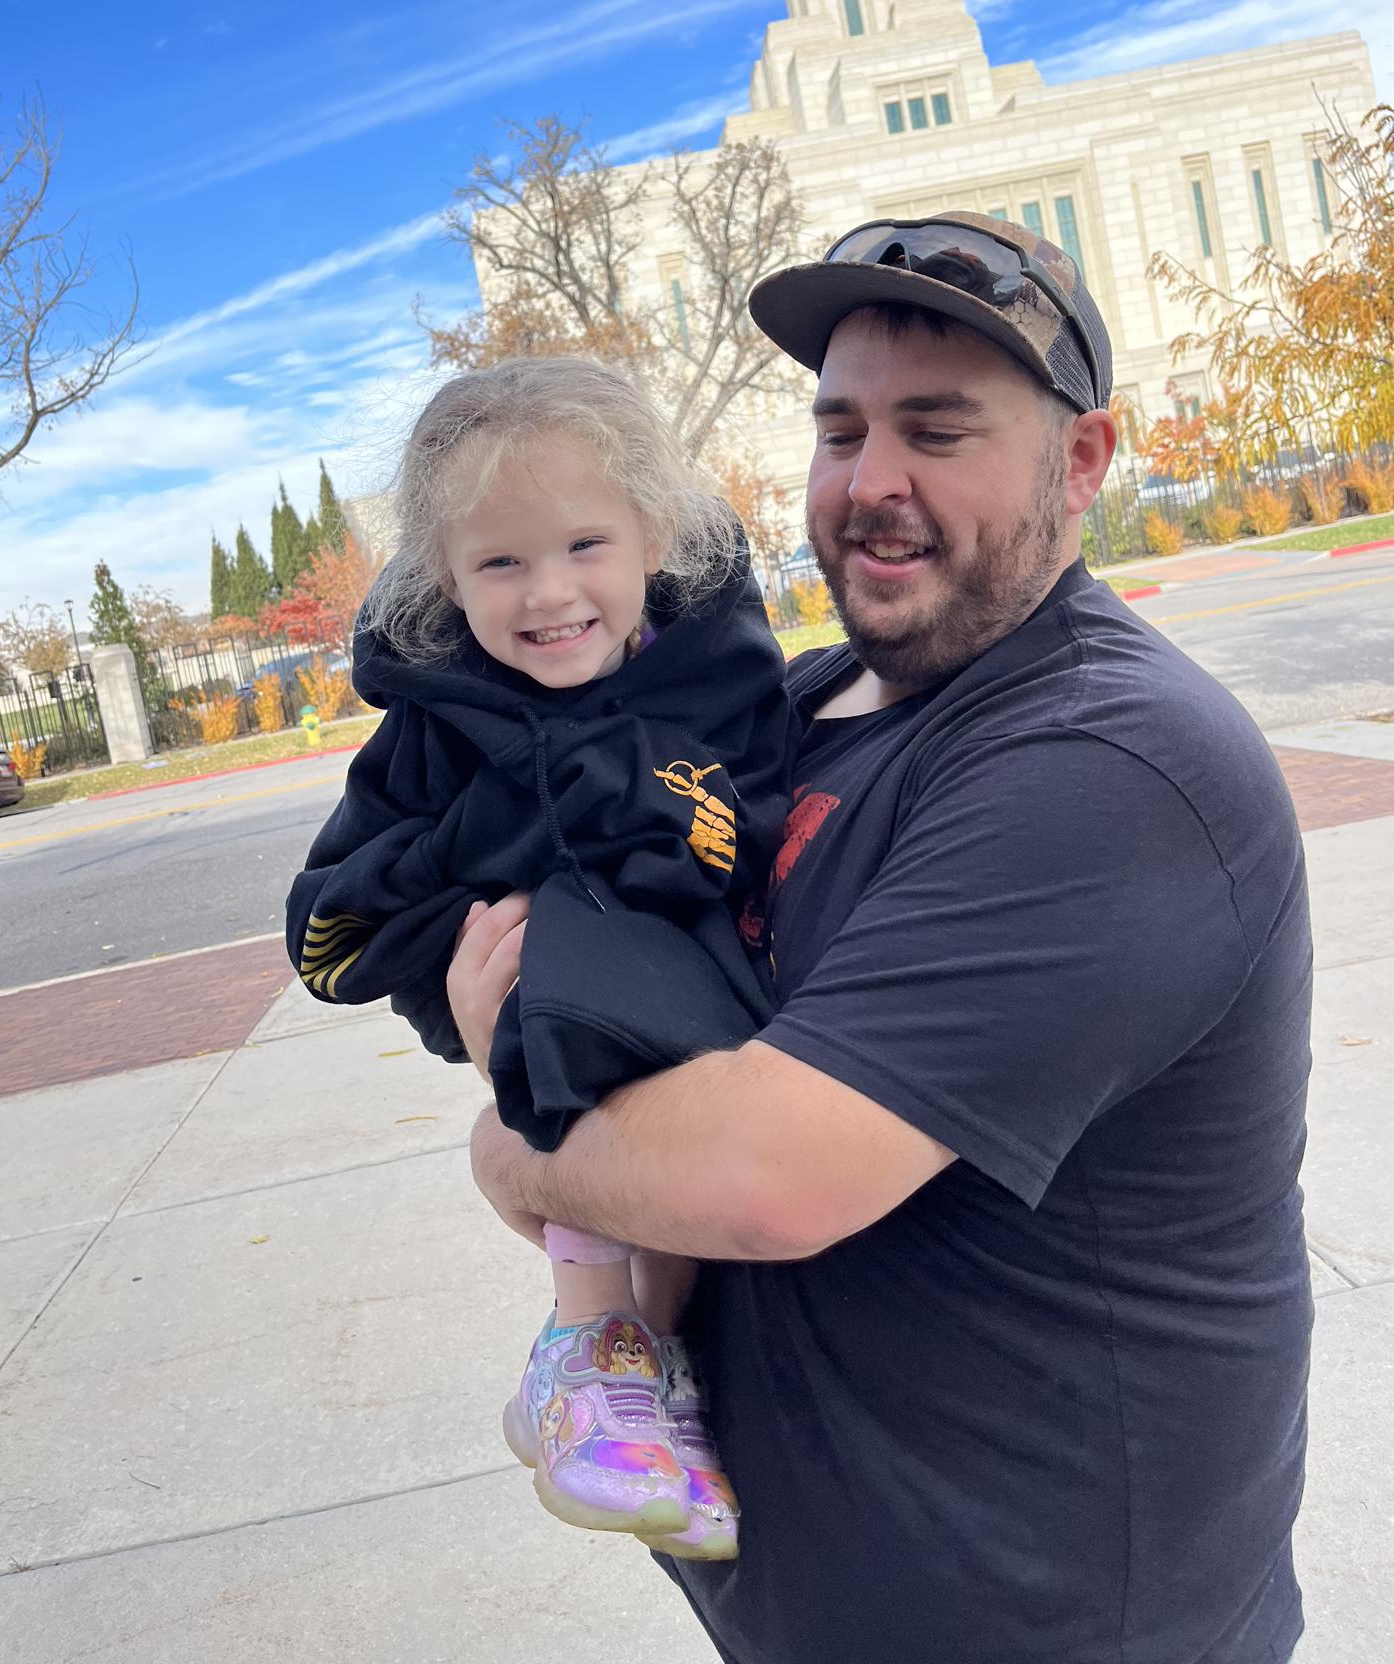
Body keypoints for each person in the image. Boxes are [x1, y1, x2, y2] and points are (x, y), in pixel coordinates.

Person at [454, 214, 1313, 1664]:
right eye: (841, 429)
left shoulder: (1108, 760)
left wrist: (513, 1133)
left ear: (1081, 460)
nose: (871, 481)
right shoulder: (793, 712)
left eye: (938, 428)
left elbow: (765, 1177)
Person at [285, 355, 793, 1563]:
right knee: (574, 947)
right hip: (516, 977)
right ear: (445, 575)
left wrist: (624, 791)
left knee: (669, 1037)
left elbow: (749, 822)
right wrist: (490, 845)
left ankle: (648, 1363)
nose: (549, 591)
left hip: (686, 975)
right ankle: (589, 1341)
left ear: (652, 533)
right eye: (501, 562)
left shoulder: (712, 671)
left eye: (585, 544)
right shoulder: (435, 719)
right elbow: (329, 924)